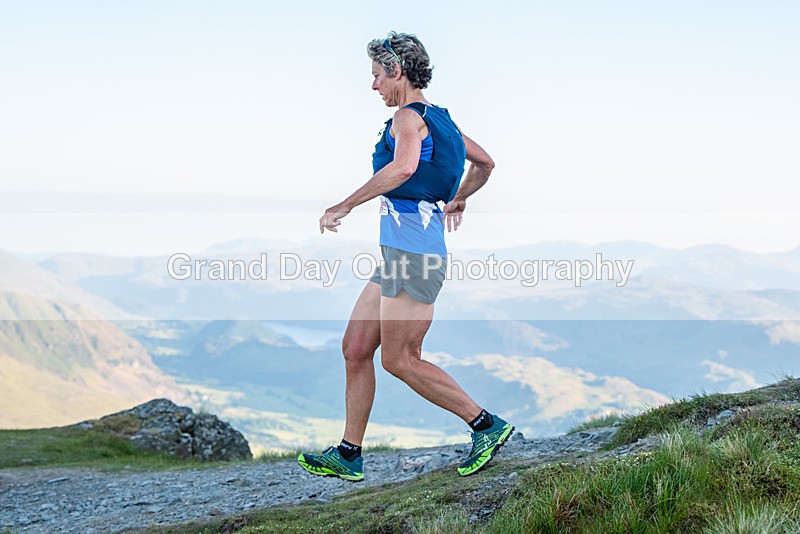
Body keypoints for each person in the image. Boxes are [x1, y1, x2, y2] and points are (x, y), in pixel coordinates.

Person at [297, 31, 513, 482]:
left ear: (396, 71)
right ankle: (349, 454)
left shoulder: (407, 119)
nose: (373, 85)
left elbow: (404, 168)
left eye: (376, 75)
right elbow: (486, 163)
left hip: (415, 254)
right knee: (356, 349)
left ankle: (486, 426)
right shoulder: (443, 121)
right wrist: (459, 198)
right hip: (399, 251)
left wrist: (344, 205)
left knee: (401, 359)